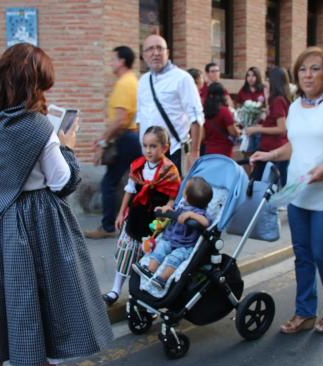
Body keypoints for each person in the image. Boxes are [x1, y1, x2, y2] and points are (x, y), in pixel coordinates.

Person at [0, 44, 113, 366]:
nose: (45, 93)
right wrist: (66, 145)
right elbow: (64, 182)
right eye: (42, 86)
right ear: (32, 85)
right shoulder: (39, 127)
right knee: (45, 302)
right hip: (35, 223)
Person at [251, 47, 323, 335]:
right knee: (302, 254)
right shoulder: (294, 106)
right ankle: (305, 313)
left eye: (315, 68)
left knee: (322, 252)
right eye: (302, 69)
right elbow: (295, 145)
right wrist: (270, 155)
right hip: (298, 192)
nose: (308, 74)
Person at [102, 126, 181, 305]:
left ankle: (137, 293)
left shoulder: (170, 171)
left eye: (153, 146)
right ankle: (115, 290)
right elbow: (129, 191)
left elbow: (172, 198)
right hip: (135, 218)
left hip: (154, 224)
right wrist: (121, 213)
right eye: (145, 146)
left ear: (164, 148)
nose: (148, 150)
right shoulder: (137, 166)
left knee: (146, 260)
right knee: (126, 254)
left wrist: (166, 210)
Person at [85, 46, 142, 239]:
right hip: (132, 137)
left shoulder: (125, 83)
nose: (110, 63)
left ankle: (108, 227)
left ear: (122, 61)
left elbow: (120, 119)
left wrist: (103, 141)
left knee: (109, 183)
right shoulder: (132, 81)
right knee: (136, 182)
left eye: (113, 59)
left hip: (126, 137)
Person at [136, 34, 204, 175]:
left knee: (174, 196)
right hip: (149, 156)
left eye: (160, 48)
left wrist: (194, 153)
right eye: (150, 49)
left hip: (174, 152)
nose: (155, 53)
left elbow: (196, 117)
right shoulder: (143, 81)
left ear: (167, 52)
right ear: (143, 55)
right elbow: (139, 118)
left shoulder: (182, 78)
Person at [135, 176, 212, 289]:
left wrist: (191, 215)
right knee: (160, 249)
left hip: (185, 245)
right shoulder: (182, 205)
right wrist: (167, 209)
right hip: (170, 239)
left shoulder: (199, 212)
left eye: (185, 188)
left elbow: (206, 222)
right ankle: (149, 270)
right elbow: (173, 211)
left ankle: (162, 279)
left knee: (175, 258)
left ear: (187, 196)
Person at [245, 67, 291, 186]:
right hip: (269, 147)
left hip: (274, 149)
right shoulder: (275, 99)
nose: (265, 82)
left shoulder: (278, 101)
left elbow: (282, 128)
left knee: (262, 184)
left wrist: (257, 129)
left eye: (268, 79)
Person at [203, 82, 240, 157]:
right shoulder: (224, 111)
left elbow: (203, 136)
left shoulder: (204, 112)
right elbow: (233, 132)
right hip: (224, 150)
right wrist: (239, 131)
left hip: (209, 149)